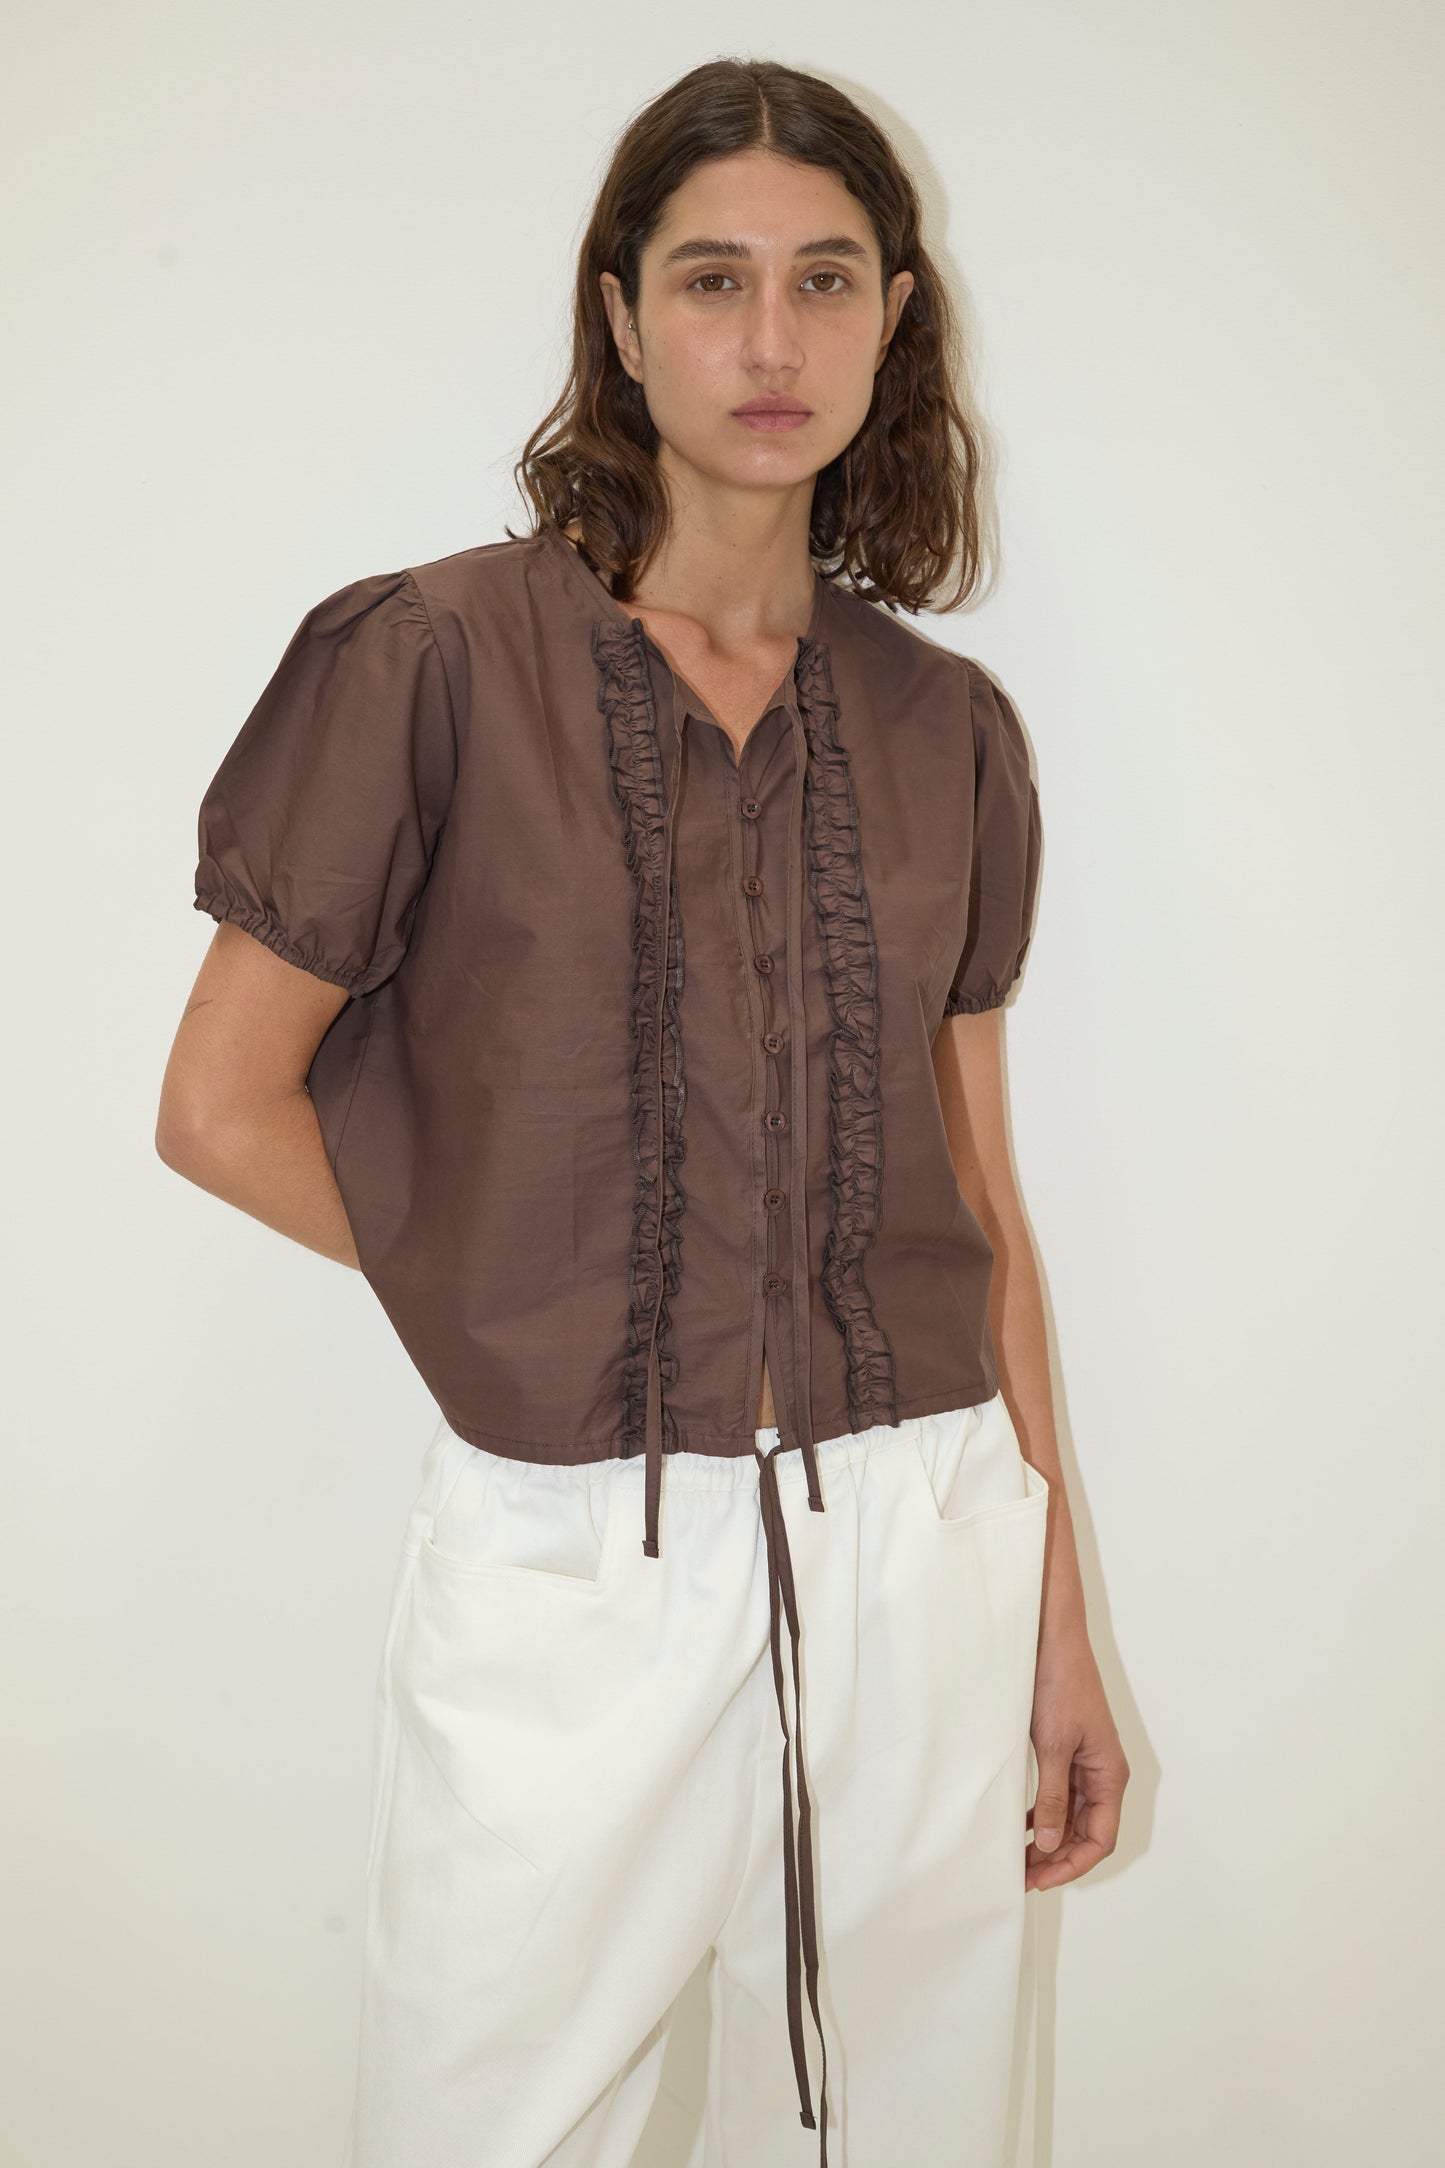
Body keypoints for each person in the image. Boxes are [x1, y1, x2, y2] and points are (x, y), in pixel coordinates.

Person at [157, 55, 1128, 2168]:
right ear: (619, 314)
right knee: (479, 2125)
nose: (772, 339)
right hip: (578, 1551)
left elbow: (978, 1194)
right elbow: (219, 1105)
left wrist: (1055, 1615)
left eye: (826, 280)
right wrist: (537, 1290)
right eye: (711, 279)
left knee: (923, 2128)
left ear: (894, 318)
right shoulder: (432, 659)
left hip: (923, 1539)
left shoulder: (948, 730)